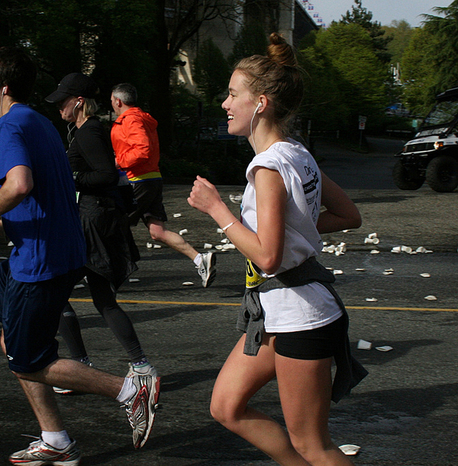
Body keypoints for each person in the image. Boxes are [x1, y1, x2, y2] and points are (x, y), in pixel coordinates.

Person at [0, 47, 159, 464]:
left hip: (41, 259)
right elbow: (42, 195)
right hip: (43, 247)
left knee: (26, 358)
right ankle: (55, 438)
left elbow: (18, 184)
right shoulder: (38, 122)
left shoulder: (10, 125)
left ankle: (130, 390)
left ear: (2, 86)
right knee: (12, 341)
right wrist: (1, 225)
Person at [187, 33, 367, 465]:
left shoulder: (268, 167)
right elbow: (347, 215)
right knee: (226, 406)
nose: (225, 104)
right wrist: (292, 231)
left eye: (233, 95)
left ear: (261, 103)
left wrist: (218, 211)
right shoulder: (297, 154)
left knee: (314, 445)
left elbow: (267, 257)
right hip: (277, 312)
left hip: (301, 316)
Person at [44, 73, 156, 390]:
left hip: (92, 220)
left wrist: (69, 179)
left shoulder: (89, 131)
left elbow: (105, 174)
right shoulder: (85, 130)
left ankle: (80, 366)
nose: (59, 107)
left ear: (79, 101)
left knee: (56, 292)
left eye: (63, 101)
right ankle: (140, 366)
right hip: (96, 217)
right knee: (102, 300)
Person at [110, 82, 216, 288]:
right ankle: (199, 259)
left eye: (112, 101)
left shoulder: (130, 120)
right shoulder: (142, 119)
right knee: (157, 232)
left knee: (113, 224)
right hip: (152, 178)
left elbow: (143, 149)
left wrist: (117, 162)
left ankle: (109, 272)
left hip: (136, 180)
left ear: (118, 101)